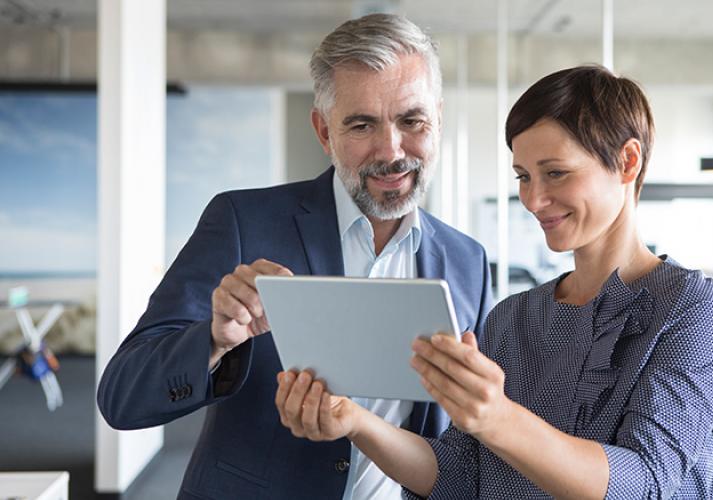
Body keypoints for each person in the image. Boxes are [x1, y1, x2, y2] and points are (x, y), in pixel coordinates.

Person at [275, 65, 713, 499]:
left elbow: (645, 481)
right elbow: (457, 474)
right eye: (523, 176)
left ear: (628, 161)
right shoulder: (514, 316)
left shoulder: (690, 309)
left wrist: (497, 418)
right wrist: (355, 421)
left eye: (555, 172)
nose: (534, 199)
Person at [96, 13, 493, 500]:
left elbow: (460, 443)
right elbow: (121, 398)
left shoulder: (467, 260)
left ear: (438, 121)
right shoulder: (243, 222)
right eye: (362, 124)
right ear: (324, 132)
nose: (392, 150)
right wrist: (214, 342)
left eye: (412, 121)